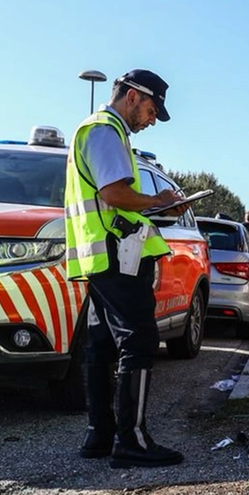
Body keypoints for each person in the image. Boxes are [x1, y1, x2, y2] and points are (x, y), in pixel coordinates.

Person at [64, 69, 187, 468]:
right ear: (133, 97)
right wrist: (157, 201)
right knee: (139, 339)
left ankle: (99, 434)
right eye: (152, 110)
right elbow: (114, 193)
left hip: (103, 256)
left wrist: (158, 206)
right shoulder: (105, 131)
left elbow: (111, 199)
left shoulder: (101, 132)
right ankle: (131, 440)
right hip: (117, 255)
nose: (152, 120)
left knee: (101, 344)